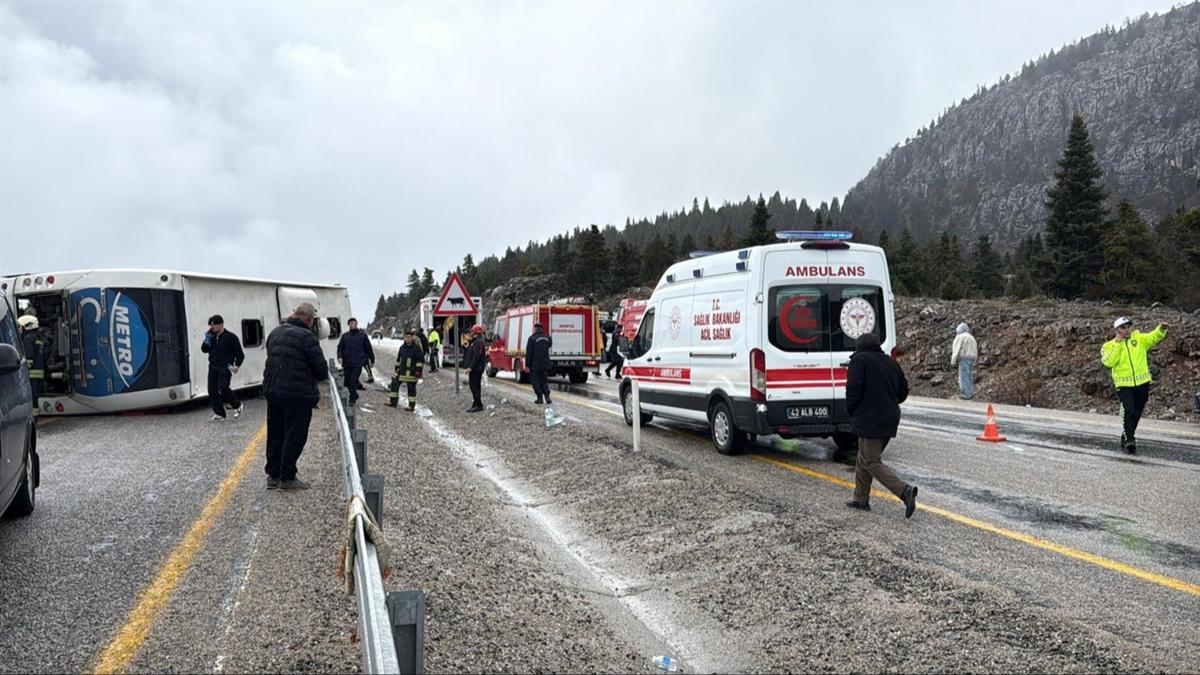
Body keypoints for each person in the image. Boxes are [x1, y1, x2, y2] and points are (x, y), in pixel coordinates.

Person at [844, 332, 918, 518]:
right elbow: (903, 391)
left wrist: (852, 411)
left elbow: (853, 391)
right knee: (864, 457)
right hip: (890, 417)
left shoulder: (859, 361)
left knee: (871, 461)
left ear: (859, 347)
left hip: (870, 418)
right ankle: (860, 499)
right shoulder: (890, 362)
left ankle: (904, 491)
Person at [263, 303, 329, 490]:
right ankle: (287, 478)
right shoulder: (307, 337)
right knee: (294, 435)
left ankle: (273, 476)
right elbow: (321, 370)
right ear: (309, 319)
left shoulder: (275, 332)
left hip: (273, 391)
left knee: (275, 434)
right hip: (297, 396)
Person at [1101, 317, 1169, 455]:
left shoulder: (1139, 339)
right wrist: (1118, 344)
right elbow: (1108, 362)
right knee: (1129, 410)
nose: (1126, 330)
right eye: (1123, 328)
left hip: (1142, 383)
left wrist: (1161, 328)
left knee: (1137, 413)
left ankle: (1126, 435)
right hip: (1123, 385)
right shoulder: (1108, 346)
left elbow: (1153, 337)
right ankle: (1130, 440)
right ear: (1117, 330)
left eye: (1128, 327)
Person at [201, 314, 245, 421]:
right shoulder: (211, 337)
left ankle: (237, 405)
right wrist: (207, 340)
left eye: (214, 325)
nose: (212, 327)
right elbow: (204, 350)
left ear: (221, 324)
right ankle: (220, 413)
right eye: (210, 325)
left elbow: (240, 354)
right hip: (213, 366)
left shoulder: (231, 337)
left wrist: (237, 365)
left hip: (226, 366)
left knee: (223, 388)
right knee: (212, 390)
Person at [336, 317, 375, 406]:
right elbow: (340, 348)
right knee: (347, 382)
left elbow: (368, 348)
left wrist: (372, 360)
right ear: (348, 325)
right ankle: (355, 394)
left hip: (358, 363)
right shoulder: (345, 336)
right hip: (347, 363)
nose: (352, 324)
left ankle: (352, 398)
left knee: (353, 381)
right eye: (350, 323)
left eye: (353, 323)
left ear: (356, 324)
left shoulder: (362, 335)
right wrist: (339, 356)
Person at [17, 315, 51, 417]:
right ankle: (34, 417)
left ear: (28, 326)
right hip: (39, 374)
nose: (19, 329)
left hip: (31, 375)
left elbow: (29, 359)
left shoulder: (28, 338)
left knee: (30, 398)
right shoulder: (39, 338)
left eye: (20, 327)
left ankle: (32, 419)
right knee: (35, 398)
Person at [387, 330, 424, 411]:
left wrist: (418, 371)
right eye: (406, 337)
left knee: (411, 389)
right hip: (402, 372)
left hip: (412, 373)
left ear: (412, 338)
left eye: (409, 337)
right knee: (394, 384)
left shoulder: (416, 348)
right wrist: (396, 368)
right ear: (404, 338)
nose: (408, 339)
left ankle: (411, 406)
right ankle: (393, 402)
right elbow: (398, 359)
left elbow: (420, 360)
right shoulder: (402, 348)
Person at [525, 322, 553, 405]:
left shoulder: (532, 339)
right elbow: (549, 345)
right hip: (545, 364)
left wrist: (527, 365)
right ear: (542, 329)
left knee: (535, 382)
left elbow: (529, 353)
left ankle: (540, 398)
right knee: (544, 381)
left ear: (535, 329)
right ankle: (547, 397)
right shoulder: (548, 338)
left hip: (535, 365)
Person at [950, 322, 978, 400]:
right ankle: (970, 392)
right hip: (971, 359)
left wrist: (953, 360)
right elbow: (975, 349)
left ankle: (965, 394)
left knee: (963, 376)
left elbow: (956, 348)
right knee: (969, 376)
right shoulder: (971, 337)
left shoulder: (960, 337)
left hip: (964, 358)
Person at [464, 324, 488, 412]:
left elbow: (476, 356)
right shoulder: (475, 341)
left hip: (477, 368)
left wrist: (470, 367)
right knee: (473, 385)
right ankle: (476, 403)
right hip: (475, 368)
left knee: (475, 386)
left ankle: (478, 404)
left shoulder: (479, 342)